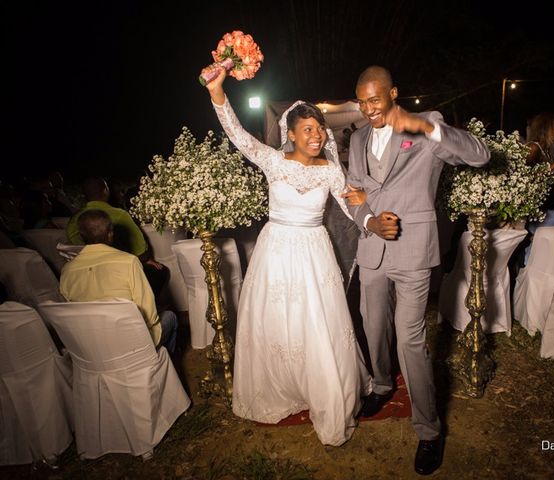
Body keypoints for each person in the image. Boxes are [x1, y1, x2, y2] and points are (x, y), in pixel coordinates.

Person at [202, 64, 368, 446]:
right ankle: (281, 387)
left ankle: (323, 390)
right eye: (308, 129)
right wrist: (217, 93)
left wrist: (370, 214)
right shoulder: (273, 162)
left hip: (314, 252)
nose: (317, 135)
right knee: (278, 321)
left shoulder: (330, 170)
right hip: (275, 250)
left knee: (317, 323)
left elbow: (350, 208)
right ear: (290, 134)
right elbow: (238, 136)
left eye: (320, 129)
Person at [343, 65, 490, 476]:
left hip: (412, 253)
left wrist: (426, 127)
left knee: (409, 339)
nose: (368, 108)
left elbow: (480, 155)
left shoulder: (426, 127)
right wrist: (369, 220)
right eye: (362, 100)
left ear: (393, 94)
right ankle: (382, 385)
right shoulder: (356, 139)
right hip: (372, 248)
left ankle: (428, 430)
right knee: (373, 327)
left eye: (375, 99)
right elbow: (354, 192)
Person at [60, 209, 177, 356]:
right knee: (170, 318)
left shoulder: (67, 270)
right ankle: (160, 369)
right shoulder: (128, 262)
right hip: (133, 345)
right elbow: (150, 314)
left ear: (81, 236)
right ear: (110, 233)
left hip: (93, 348)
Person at [66, 176, 168, 297]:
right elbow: (140, 250)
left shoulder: (73, 221)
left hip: (83, 279)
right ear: (105, 191)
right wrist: (146, 259)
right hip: (120, 274)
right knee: (160, 271)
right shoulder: (119, 215)